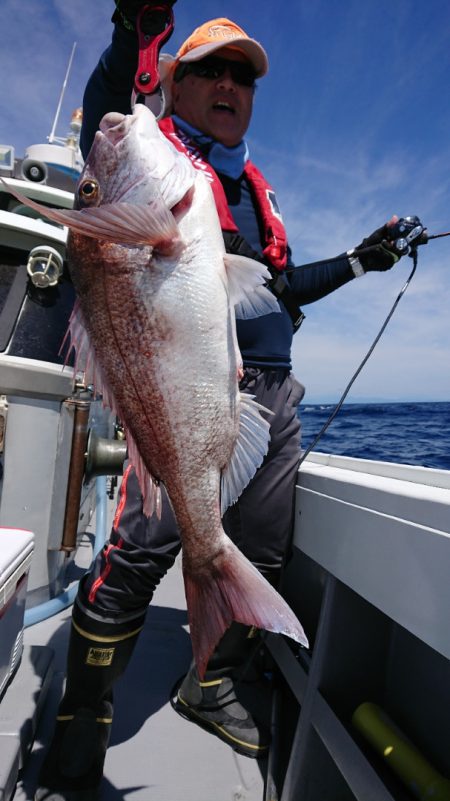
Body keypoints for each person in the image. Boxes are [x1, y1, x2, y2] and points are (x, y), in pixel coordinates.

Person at [35, 6, 424, 800]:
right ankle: (81, 724)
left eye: (243, 75)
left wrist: (359, 261)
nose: (228, 84)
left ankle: (209, 682)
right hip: (190, 388)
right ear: (174, 85)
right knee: (137, 555)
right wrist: (131, 31)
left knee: (265, 551)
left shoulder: (247, 189)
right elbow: (108, 126)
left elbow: (274, 287)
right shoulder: (155, 162)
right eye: (208, 69)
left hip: (272, 396)